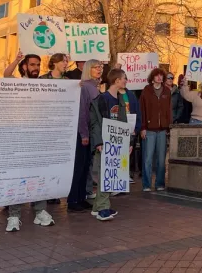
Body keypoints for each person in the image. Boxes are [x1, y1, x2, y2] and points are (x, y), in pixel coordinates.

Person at [2, 51, 56, 232]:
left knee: (39, 176)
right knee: (17, 177)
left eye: (38, 65)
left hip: (38, 139)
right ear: (24, 66)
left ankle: (40, 211)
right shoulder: (17, 83)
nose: (36, 68)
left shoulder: (42, 85)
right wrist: (16, 58)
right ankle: (14, 215)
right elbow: (6, 75)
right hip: (18, 139)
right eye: (32, 65)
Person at [89, 69, 136, 220]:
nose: (126, 81)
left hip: (117, 143)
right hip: (104, 142)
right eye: (124, 79)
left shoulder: (121, 100)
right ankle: (103, 207)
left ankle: (98, 207)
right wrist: (98, 141)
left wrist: (129, 142)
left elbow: (124, 123)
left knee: (112, 174)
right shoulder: (102, 99)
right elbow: (95, 122)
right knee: (105, 175)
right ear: (116, 81)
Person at [67, 60, 103, 212]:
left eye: (101, 67)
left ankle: (81, 197)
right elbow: (82, 112)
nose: (100, 69)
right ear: (89, 69)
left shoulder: (95, 86)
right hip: (83, 132)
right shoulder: (85, 87)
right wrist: (84, 134)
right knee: (79, 166)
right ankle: (73, 199)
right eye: (96, 67)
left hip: (91, 130)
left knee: (86, 166)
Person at [140, 68, 172, 192]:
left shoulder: (167, 91)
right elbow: (142, 110)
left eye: (161, 76)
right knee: (148, 158)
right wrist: (142, 128)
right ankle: (146, 184)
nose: (159, 78)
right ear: (152, 78)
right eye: (157, 76)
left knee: (161, 158)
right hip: (149, 129)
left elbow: (169, 110)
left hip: (163, 130)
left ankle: (160, 183)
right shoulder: (146, 91)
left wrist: (169, 126)